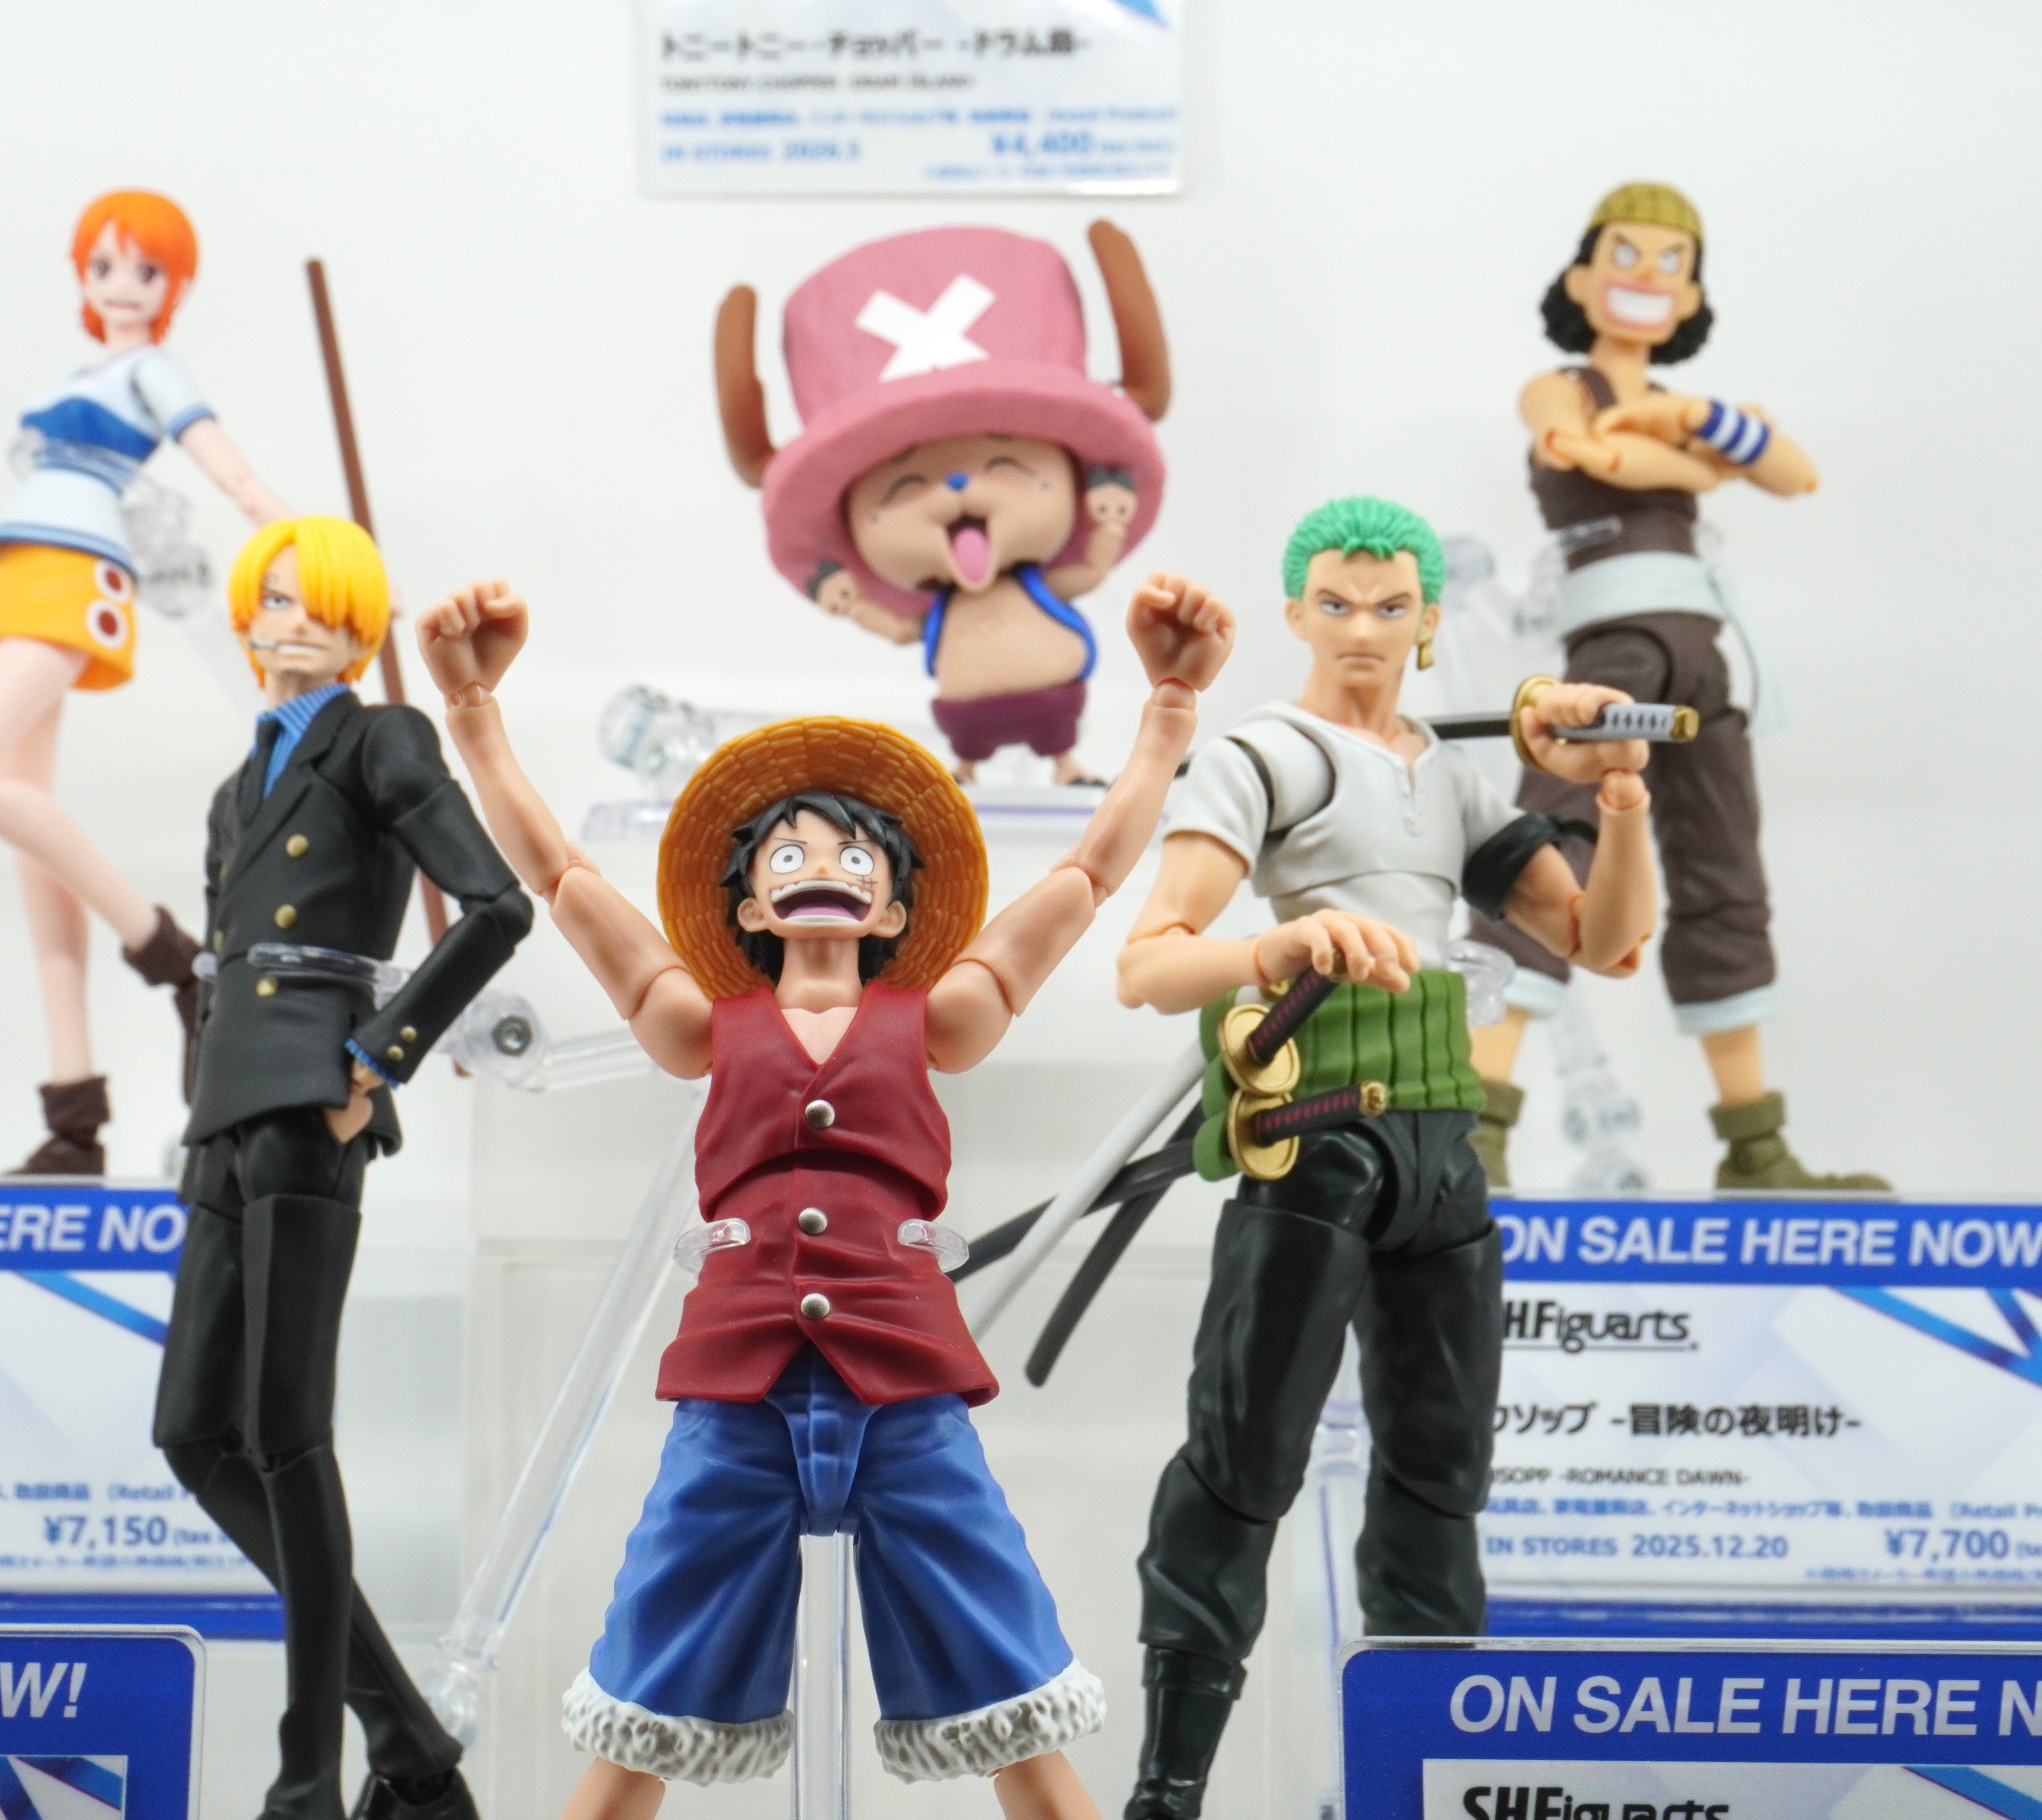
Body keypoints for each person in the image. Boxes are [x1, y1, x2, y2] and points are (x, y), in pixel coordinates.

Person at [417, 567, 1232, 1819]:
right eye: (788, 853)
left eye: (854, 856)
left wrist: (1166, 714)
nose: (822, 869)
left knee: (1006, 1671)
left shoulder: (939, 1015)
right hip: (737, 1384)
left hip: (902, 1379)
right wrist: (476, 719)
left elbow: (1083, 878)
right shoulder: (700, 1021)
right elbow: (564, 877)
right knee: (650, 1682)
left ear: (893, 905)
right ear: (749, 900)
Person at [1112, 497, 1658, 1820]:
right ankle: (1169, 1787)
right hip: (1315, 1143)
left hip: (1441, 1149)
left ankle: (1422, 1771)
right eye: (1339, 603)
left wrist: (1623, 797)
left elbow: (1605, 943)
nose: (1364, 628)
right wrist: (1275, 946)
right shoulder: (1265, 756)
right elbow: (1149, 960)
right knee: (1243, 1457)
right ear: (1297, 614)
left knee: (1439, 1475)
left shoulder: (1450, 776)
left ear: (1427, 621)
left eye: (1392, 605)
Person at [153, 517, 531, 1820]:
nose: (292, 622)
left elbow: (497, 907)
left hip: (313, 1091)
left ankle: (308, 1777)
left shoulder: (381, 738)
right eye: (272, 600)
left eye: (320, 603)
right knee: (192, 1436)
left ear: (361, 623)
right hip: (226, 1106)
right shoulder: (236, 788)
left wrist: (379, 1055)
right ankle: (411, 1749)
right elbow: (222, 962)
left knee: (286, 1433)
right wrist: (196, 1104)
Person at [1464, 181, 1885, 1192]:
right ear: (1581, 277)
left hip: (1703, 652)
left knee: (1725, 874)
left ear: (1692, 295)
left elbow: (1796, 473)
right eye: (1626, 253)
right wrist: (1703, 450)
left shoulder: (1684, 406)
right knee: (1547, 851)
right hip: (1613, 648)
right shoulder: (1559, 388)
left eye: (1670, 262)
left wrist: (1693, 421)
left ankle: (1756, 1147)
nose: (1647, 276)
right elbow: (1583, 449)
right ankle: (1474, 1133)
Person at [0, 188, 295, 1173]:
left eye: (145, 269)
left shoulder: (152, 371)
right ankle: (74, 1123)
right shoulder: (85, 372)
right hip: (19, 573)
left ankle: (171, 958)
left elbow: (227, 468)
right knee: (31, 849)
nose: (122, 284)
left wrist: (293, 534)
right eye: (103, 265)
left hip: (72, 578)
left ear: (173, 284)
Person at [716, 223, 1169, 783]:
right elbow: (901, 630)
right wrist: (852, 605)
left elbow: (1091, 571)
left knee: (1056, 742)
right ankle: (965, 771)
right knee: (967, 756)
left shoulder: (1039, 584)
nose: (957, 487)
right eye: (905, 484)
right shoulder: (938, 612)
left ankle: (1064, 765)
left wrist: (1108, 524)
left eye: (1002, 461)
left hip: (1057, 701)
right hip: (965, 714)